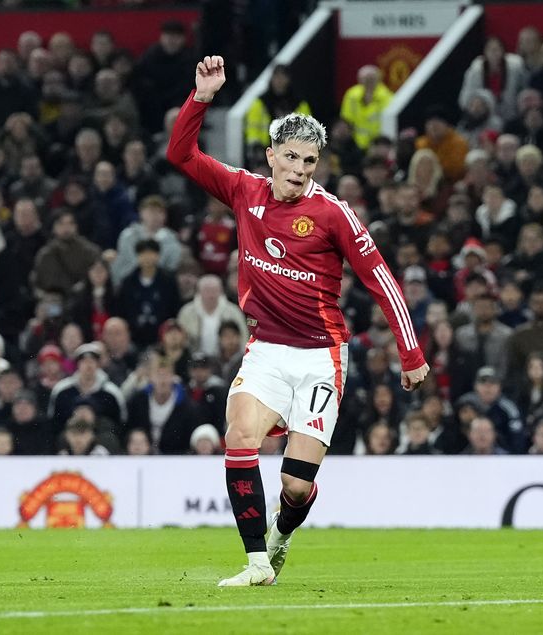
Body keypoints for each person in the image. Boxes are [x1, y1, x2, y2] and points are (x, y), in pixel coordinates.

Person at [167, 55, 429, 587]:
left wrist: (411, 353)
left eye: (309, 160)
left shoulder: (334, 213)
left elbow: (381, 279)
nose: (299, 169)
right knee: (239, 435)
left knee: (294, 486)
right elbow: (181, 153)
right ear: (270, 155)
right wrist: (202, 97)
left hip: (320, 358)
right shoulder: (244, 191)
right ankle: (256, 563)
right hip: (265, 350)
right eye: (290, 156)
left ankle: (281, 538)